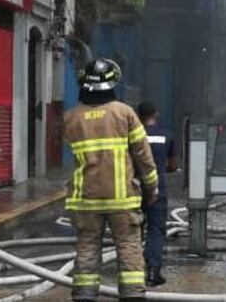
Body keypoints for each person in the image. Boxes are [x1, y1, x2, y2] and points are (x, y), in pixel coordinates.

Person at [64, 58, 159, 302]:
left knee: (86, 248)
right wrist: (152, 187)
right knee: (128, 247)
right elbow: (143, 156)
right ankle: (132, 297)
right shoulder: (124, 113)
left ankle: (84, 296)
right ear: (112, 84)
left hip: (85, 199)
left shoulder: (71, 117)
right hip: (122, 199)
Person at [136, 101, 178, 287]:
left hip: (134, 189)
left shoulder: (133, 136)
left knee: (133, 231)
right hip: (157, 190)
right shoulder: (167, 136)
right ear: (156, 113)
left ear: (138, 115)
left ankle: (133, 271)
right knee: (155, 231)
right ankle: (153, 273)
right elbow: (173, 166)